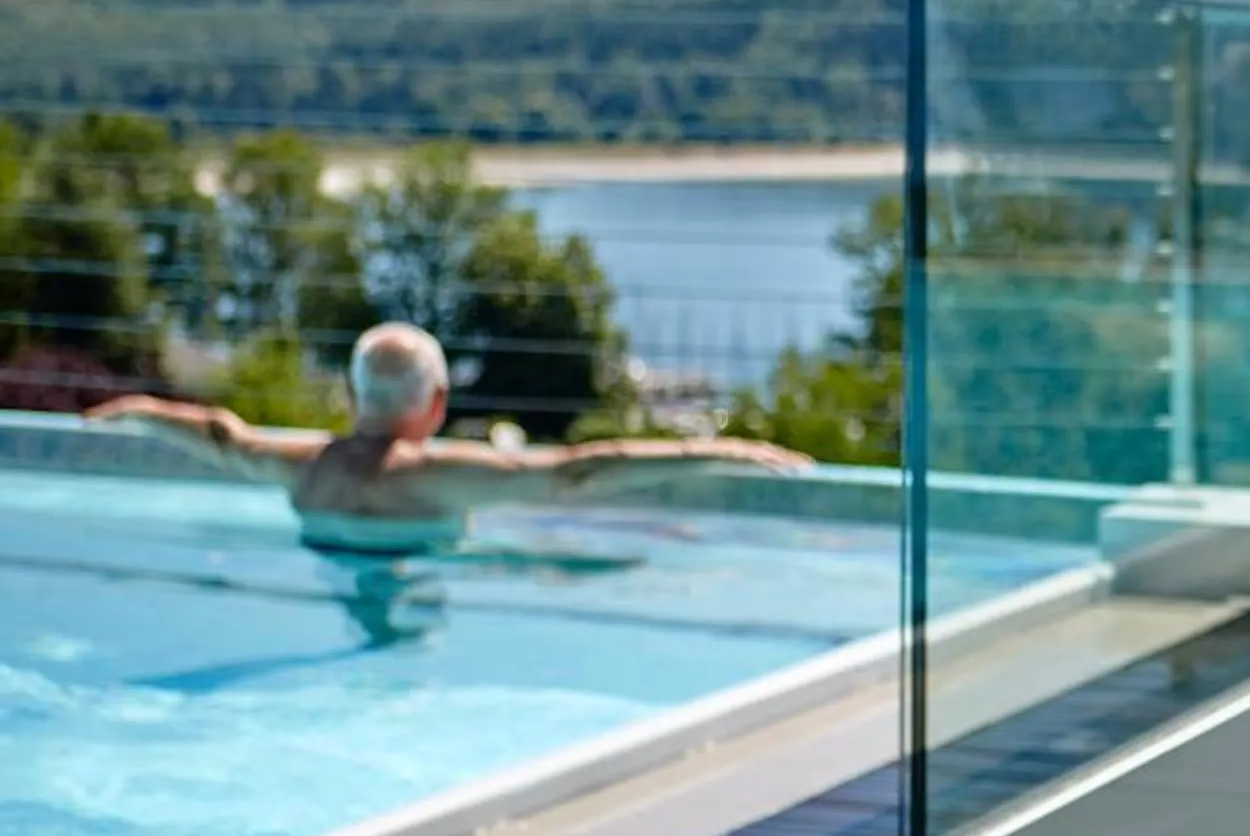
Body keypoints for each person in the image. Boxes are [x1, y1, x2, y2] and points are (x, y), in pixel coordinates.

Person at [88, 321, 810, 555]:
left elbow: (222, 435)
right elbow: (575, 470)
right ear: (435, 402)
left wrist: (140, 409)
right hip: (419, 571)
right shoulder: (428, 475)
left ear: (351, 395)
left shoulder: (303, 467)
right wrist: (720, 449)